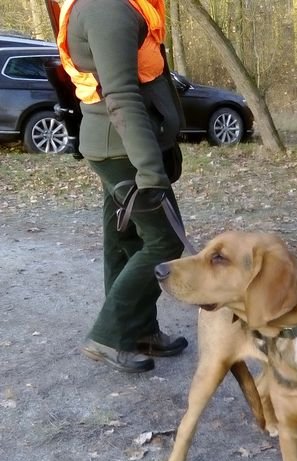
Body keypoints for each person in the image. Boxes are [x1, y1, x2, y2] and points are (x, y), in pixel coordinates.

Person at [56, 0, 187, 373]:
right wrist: (150, 171)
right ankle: (110, 335)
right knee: (165, 241)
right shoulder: (106, 8)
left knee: (125, 239)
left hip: (120, 146)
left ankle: (139, 331)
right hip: (124, 151)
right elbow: (121, 94)